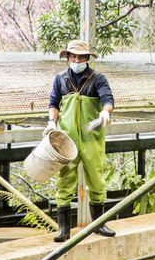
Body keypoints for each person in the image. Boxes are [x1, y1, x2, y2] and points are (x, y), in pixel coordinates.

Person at [43, 39, 115, 242]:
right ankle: (64, 230)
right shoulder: (60, 79)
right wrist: (51, 121)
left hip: (92, 138)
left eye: (81, 57)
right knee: (65, 181)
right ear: (67, 57)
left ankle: (99, 225)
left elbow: (108, 98)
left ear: (87, 58)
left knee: (97, 180)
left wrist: (104, 112)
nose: (77, 60)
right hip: (67, 139)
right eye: (73, 56)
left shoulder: (97, 78)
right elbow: (53, 102)